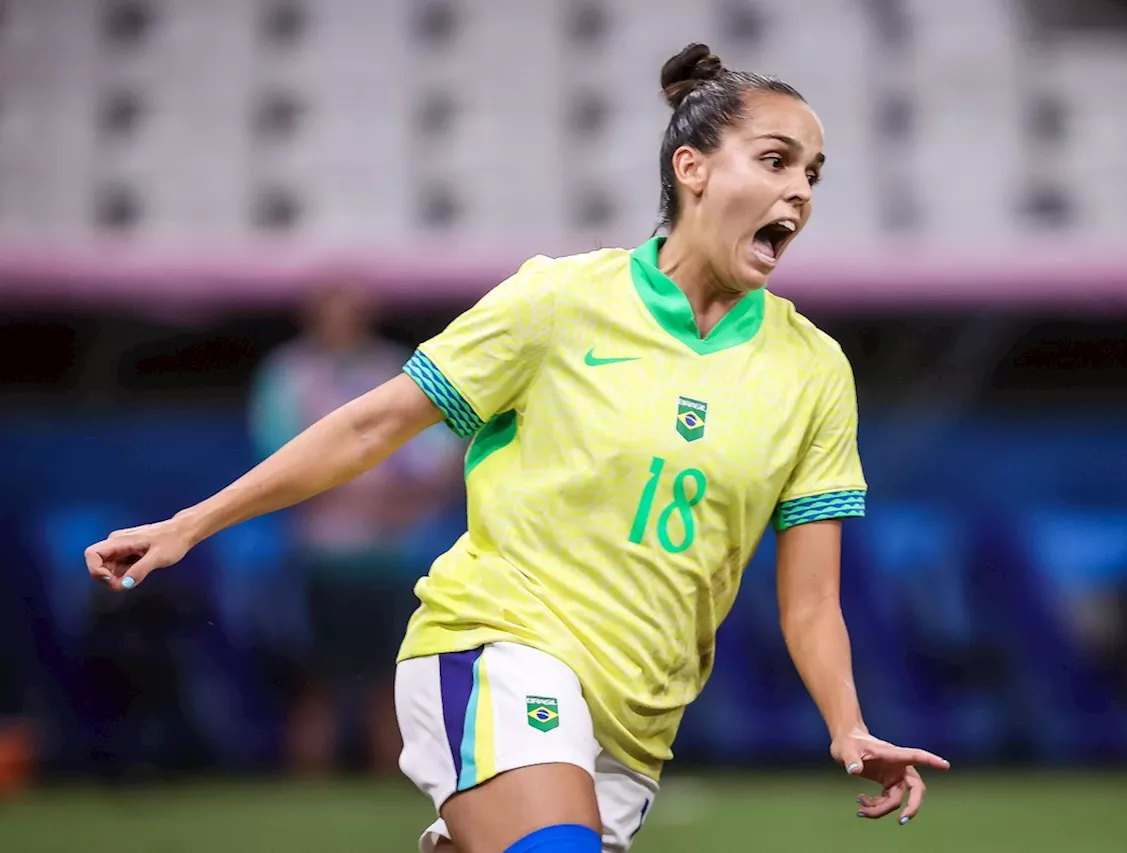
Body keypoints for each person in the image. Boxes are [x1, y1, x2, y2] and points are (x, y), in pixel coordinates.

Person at [86, 43, 950, 853]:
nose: (799, 190)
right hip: (495, 644)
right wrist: (194, 523)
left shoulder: (813, 370)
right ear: (691, 169)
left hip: (635, 725)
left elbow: (810, 600)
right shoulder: (560, 300)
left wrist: (847, 724)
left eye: (813, 173)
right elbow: (372, 424)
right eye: (775, 160)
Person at [248, 280, 465, 777]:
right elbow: (275, 454)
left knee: (392, 675)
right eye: (334, 308)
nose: (344, 320)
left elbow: (436, 450)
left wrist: (415, 491)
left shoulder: (396, 368)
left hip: (392, 553)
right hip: (321, 552)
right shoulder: (290, 373)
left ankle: (391, 787)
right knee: (317, 678)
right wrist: (338, 485)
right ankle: (307, 791)